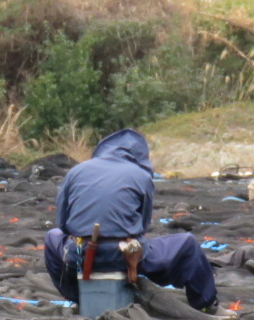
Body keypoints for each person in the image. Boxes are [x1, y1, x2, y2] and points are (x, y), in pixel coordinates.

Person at [42, 129, 216, 310]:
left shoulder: (76, 171)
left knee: (52, 236)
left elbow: (62, 224)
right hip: (125, 254)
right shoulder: (141, 176)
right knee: (187, 243)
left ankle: (78, 298)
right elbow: (142, 225)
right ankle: (207, 305)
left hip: (78, 254)